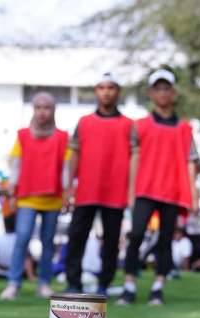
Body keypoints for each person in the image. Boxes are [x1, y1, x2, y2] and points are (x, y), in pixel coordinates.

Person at [118, 69, 198, 306]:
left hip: (172, 190)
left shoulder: (185, 129)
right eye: (158, 88)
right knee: (136, 236)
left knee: (165, 240)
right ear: (151, 93)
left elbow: (191, 161)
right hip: (145, 188)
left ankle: (158, 287)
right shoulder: (140, 125)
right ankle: (129, 285)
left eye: (166, 88)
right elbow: (133, 157)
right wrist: (131, 191)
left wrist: (192, 194)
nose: (162, 93)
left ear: (173, 93)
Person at [64, 72, 132, 294]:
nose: (106, 92)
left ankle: (105, 283)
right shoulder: (84, 123)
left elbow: (135, 160)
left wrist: (131, 192)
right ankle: (74, 282)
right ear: (96, 91)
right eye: (102, 87)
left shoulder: (128, 125)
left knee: (111, 241)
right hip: (86, 191)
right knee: (76, 237)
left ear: (118, 91)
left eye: (111, 87)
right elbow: (74, 155)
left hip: (115, 192)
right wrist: (68, 187)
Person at [1, 92, 70, 301]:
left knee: (48, 242)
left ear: (53, 110)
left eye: (47, 107)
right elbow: (15, 166)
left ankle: (44, 283)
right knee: (22, 238)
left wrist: (67, 194)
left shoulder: (62, 137)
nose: (42, 112)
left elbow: (66, 169)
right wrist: (12, 193)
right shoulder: (22, 135)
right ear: (33, 110)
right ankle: (13, 283)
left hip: (53, 198)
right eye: (38, 107)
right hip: (27, 196)